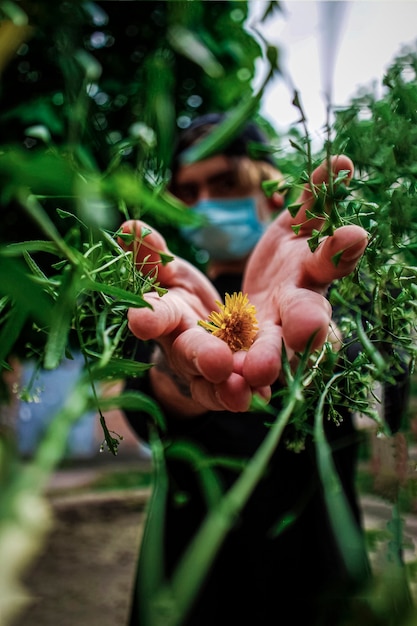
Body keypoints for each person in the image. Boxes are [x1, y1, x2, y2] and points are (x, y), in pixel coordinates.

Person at [119, 113, 400, 625]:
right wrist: (182, 369)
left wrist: (320, 355)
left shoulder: (320, 287)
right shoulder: (174, 304)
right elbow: (148, 403)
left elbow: (370, 378)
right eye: (189, 191)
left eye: (225, 181)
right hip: (191, 589)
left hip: (313, 582)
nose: (205, 203)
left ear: (272, 188)